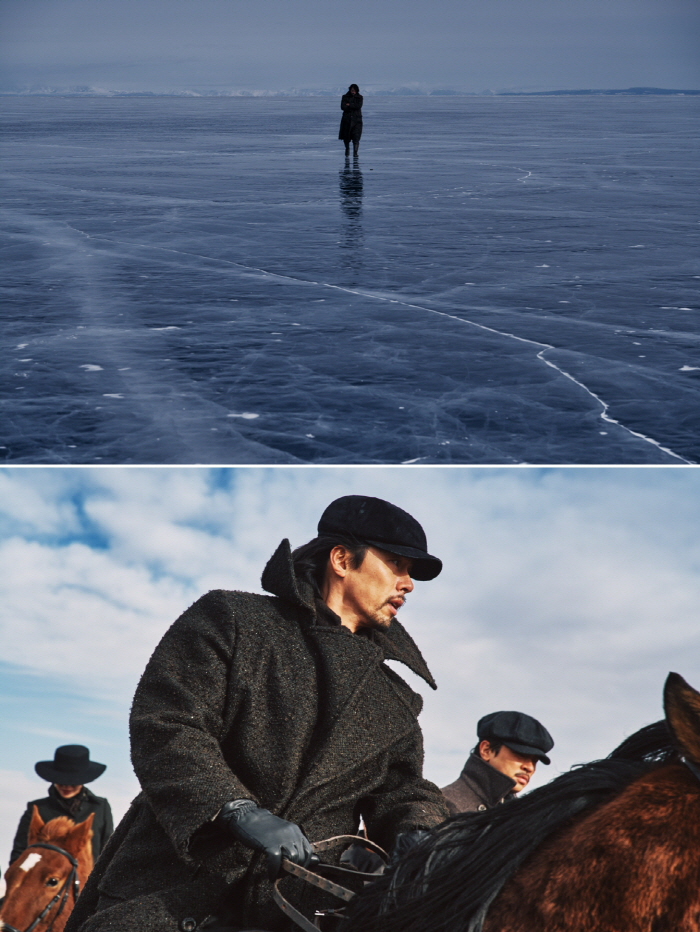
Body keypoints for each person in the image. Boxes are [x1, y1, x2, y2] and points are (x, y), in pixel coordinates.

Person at [66, 495, 449, 932]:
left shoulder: (394, 698)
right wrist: (236, 809)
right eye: (397, 564)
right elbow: (169, 724)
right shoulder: (232, 619)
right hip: (171, 893)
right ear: (342, 560)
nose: (409, 584)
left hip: (291, 912)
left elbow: (402, 791)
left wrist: (418, 834)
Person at [10, 745, 113, 865]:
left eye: (73, 782)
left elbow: (108, 848)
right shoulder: (37, 809)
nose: (66, 786)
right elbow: (20, 852)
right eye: (61, 781)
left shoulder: (101, 807)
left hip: (91, 879)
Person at [441, 711, 554, 814]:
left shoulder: (523, 818)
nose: (530, 768)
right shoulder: (442, 806)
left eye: (535, 761)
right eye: (521, 754)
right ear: (486, 750)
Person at [339, 84, 363, 158]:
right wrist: (351, 106)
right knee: (346, 137)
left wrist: (350, 105)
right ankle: (347, 150)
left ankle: (355, 152)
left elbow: (358, 106)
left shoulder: (359, 97)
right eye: (352, 90)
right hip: (347, 120)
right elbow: (343, 107)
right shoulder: (345, 97)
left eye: (354, 90)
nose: (353, 92)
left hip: (357, 120)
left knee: (356, 136)